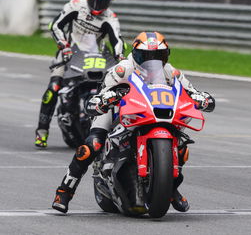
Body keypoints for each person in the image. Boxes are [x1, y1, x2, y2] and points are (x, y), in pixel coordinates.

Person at [52, 31, 216, 213]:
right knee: (92, 145)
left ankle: (169, 187)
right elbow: (102, 92)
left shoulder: (170, 71)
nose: (151, 61)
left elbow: (189, 90)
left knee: (182, 146)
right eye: (146, 56)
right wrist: (104, 99)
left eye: (157, 56)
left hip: (153, 112)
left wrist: (201, 98)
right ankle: (64, 191)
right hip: (119, 111)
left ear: (165, 56)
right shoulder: (123, 69)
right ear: (136, 54)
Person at [35, 0, 125, 148]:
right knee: (53, 88)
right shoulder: (75, 5)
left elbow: (117, 40)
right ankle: (42, 131)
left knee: (114, 88)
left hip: (96, 57)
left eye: (103, 0)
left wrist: (120, 57)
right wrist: (64, 45)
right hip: (68, 54)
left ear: (109, 0)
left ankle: (114, 131)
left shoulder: (110, 17)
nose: (98, 4)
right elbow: (55, 25)